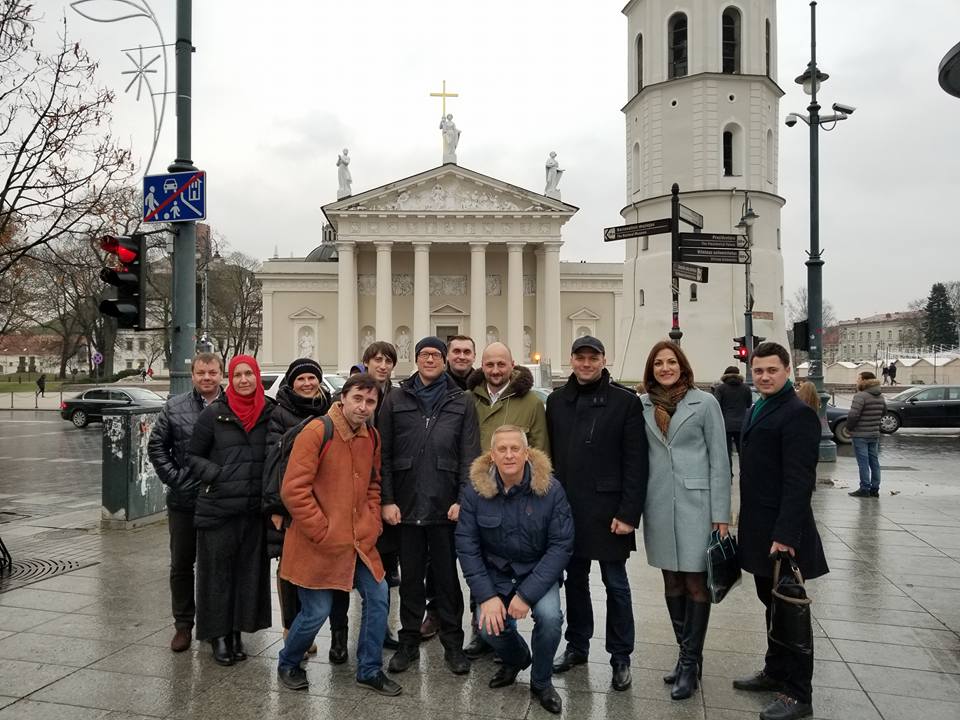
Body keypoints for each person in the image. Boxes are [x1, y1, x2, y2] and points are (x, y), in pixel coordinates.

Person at [275, 373, 402, 697]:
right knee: (316, 611)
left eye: (370, 401)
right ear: (343, 398)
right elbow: (293, 490)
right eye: (357, 398)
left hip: (359, 541)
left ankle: (369, 669)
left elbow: (373, 483)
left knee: (379, 597)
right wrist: (322, 529)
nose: (363, 407)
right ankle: (289, 662)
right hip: (317, 543)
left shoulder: (372, 435)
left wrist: (372, 521)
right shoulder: (318, 431)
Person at [547, 336, 648, 691]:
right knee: (575, 582)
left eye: (593, 358)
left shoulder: (625, 402)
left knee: (616, 584)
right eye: (581, 357)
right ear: (572, 360)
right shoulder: (557, 401)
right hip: (568, 508)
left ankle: (621, 656)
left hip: (609, 512)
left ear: (604, 360)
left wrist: (629, 513)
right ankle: (577, 645)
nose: (586, 364)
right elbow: (550, 458)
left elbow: (636, 463)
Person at [735, 342, 828, 720]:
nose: (764, 376)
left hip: (783, 533)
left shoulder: (798, 414)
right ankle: (775, 670)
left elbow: (799, 481)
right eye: (758, 370)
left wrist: (786, 536)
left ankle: (798, 694)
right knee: (771, 604)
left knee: (791, 613)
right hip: (759, 528)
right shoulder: (758, 407)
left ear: (787, 370)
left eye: (772, 370)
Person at [380, 336, 481, 677]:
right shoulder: (396, 398)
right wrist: (387, 500)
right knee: (410, 580)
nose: (430, 360)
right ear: (416, 358)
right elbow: (384, 454)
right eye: (424, 354)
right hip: (406, 504)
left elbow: (470, 454)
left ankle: (453, 644)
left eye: (436, 355)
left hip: (444, 505)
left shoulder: (461, 400)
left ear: (444, 360)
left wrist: (462, 499)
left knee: (446, 580)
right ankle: (408, 642)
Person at [456, 426, 573, 715]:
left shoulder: (551, 490)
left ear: (526, 453)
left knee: (550, 618)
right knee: (488, 626)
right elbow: (467, 547)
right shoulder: (474, 492)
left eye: (515, 449)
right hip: (496, 574)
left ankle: (541, 681)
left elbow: (561, 545)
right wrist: (486, 596)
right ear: (492, 456)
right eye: (502, 449)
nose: (509, 455)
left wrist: (526, 595)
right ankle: (517, 658)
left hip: (537, 572)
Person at [640, 341, 730, 700]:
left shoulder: (704, 403)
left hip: (697, 505)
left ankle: (690, 664)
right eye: (658, 363)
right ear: (651, 370)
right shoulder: (644, 405)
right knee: (671, 582)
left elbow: (720, 460)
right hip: (659, 504)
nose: (665, 368)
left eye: (671, 362)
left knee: (695, 582)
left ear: (682, 366)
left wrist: (721, 514)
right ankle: (686, 656)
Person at [462, 341, 550, 659]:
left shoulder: (532, 402)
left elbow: (540, 450)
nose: (496, 370)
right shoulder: (469, 399)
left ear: (512, 365)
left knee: (512, 562)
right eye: (490, 365)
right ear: (482, 366)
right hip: (481, 493)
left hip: (520, 494)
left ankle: (505, 637)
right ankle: (483, 631)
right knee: (483, 562)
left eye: (502, 364)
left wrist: (536, 493)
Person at [188, 355, 274, 666]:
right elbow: (193, 456)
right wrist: (217, 475)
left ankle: (237, 630)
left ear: (257, 376)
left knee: (247, 576)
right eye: (237, 375)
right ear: (230, 379)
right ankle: (218, 635)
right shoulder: (214, 414)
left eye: (249, 374)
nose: (244, 380)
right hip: (219, 509)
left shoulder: (269, 412)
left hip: (253, 510)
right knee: (217, 576)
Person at [147, 353, 223, 652]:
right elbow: (157, 446)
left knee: (216, 566)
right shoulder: (174, 407)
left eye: (212, 372)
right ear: (192, 375)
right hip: (184, 501)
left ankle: (214, 625)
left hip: (220, 501)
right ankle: (183, 624)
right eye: (201, 372)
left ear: (221, 374)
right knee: (181, 565)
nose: (207, 377)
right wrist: (176, 479)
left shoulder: (232, 405)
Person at [262, 359, 332, 660]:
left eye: (311, 378)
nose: (307, 383)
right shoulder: (280, 413)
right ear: (291, 384)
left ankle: (307, 629)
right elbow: (273, 461)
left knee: (314, 566)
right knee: (289, 568)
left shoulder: (329, 408)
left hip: (324, 499)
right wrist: (277, 506)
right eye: (300, 379)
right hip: (291, 502)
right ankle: (291, 630)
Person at [419, 333, 477, 640]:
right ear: (446, 356)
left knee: (479, 554)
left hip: (478, 483)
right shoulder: (432, 387)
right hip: (440, 484)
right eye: (456, 351)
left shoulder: (481, 387)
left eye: (467, 351)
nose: (461, 356)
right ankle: (436, 611)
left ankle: (480, 616)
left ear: (473, 356)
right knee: (437, 558)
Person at [361, 340, 402, 648]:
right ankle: (340, 636)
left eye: (388, 361)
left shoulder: (398, 397)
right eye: (377, 360)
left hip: (387, 488)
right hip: (358, 490)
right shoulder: (353, 393)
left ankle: (380, 628)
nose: (383, 365)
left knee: (384, 565)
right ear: (367, 362)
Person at [846, 371, 886, 498]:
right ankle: (875, 488)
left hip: (860, 434)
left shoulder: (860, 396)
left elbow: (853, 415)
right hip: (874, 433)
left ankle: (864, 488)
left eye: (859, 379)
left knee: (863, 462)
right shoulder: (880, 396)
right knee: (874, 462)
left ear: (864, 381)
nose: (857, 381)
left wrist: (849, 427)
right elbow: (884, 412)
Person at [712, 365, 753, 476]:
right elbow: (749, 405)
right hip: (742, 424)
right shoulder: (746, 388)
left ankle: (728, 475)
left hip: (725, 425)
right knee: (742, 452)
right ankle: (744, 474)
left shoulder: (720, 389)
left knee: (726, 452)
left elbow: (716, 406)